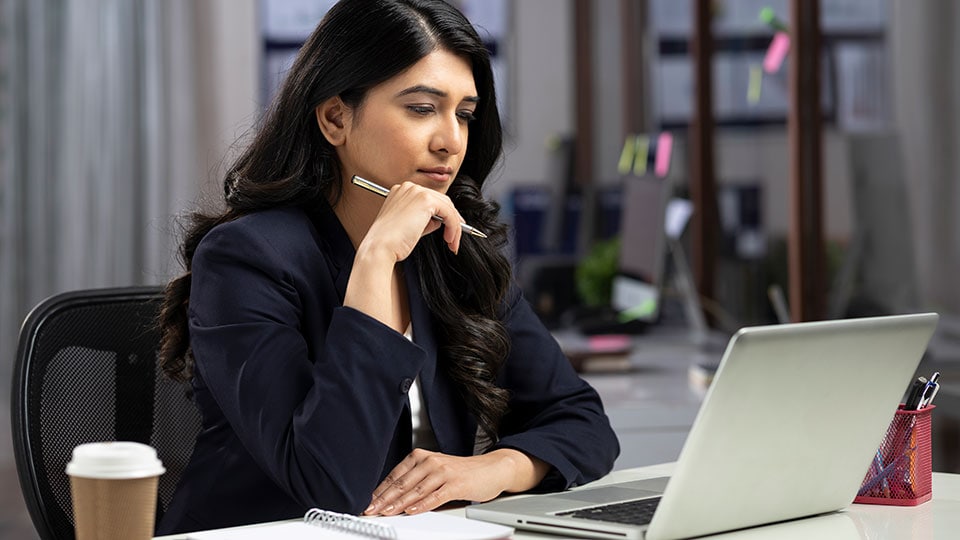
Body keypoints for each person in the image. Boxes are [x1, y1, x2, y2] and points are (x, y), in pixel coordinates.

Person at [156, 0, 619, 534]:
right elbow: (329, 482)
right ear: (335, 118)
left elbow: (584, 423)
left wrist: (492, 469)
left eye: (464, 114)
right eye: (421, 109)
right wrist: (375, 261)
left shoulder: (455, 253)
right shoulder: (246, 259)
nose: (451, 141)